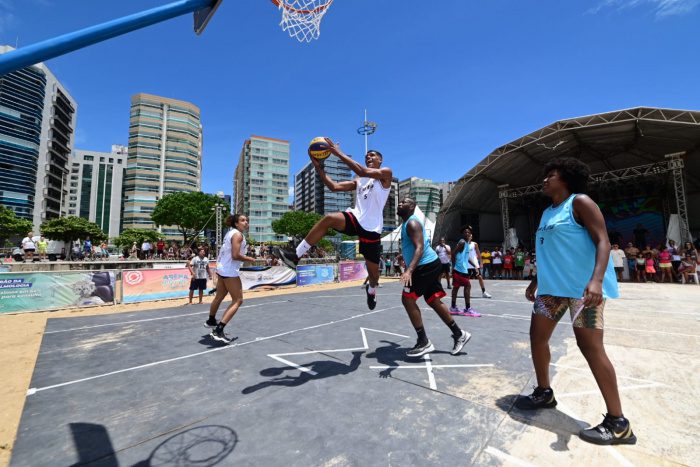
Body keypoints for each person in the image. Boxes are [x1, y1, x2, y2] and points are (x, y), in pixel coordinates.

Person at [517, 157, 635, 446]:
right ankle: (544, 392)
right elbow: (548, 249)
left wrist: (595, 280)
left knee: (590, 347)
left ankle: (619, 423)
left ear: (566, 179)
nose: (545, 180)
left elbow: (603, 241)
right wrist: (537, 279)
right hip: (551, 289)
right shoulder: (547, 212)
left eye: (551, 175)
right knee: (537, 339)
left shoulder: (580, 202)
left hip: (583, 291)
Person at [274, 139, 392, 311]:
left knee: (374, 275)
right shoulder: (360, 181)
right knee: (328, 218)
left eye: (372, 155)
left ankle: (371, 289)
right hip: (355, 218)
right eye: (366, 156)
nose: (368, 157)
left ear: (380, 160)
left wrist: (338, 153)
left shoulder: (385, 173)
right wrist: (319, 167)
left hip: (372, 229)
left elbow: (361, 170)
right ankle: (296, 255)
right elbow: (334, 186)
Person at [397, 197, 471, 357]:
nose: (399, 204)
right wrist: (403, 256)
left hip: (425, 266)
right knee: (433, 300)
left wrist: (409, 270)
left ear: (412, 207)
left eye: (404, 202)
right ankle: (459, 334)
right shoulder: (406, 223)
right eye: (399, 201)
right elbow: (413, 246)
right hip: (429, 264)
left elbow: (420, 247)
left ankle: (423, 341)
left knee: (407, 299)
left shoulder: (412, 223)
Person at [207, 214, 256, 344]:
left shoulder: (231, 233)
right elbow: (235, 255)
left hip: (222, 268)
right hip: (229, 270)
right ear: (236, 223)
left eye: (247, 220)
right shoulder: (238, 235)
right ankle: (218, 330)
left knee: (219, 296)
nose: (246, 222)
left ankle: (211, 320)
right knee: (238, 300)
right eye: (243, 220)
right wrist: (249, 259)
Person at [449, 226, 483, 317]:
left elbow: (467, 258)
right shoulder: (462, 242)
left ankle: (453, 307)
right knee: (467, 286)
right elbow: (453, 254)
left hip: (461, 269)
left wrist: (475, 266)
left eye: (468, 232)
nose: (467, 234)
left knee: (456, 288)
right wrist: (454, 267)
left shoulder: (467, 244)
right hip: (459, 270)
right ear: (462, 234)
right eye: (465, 232)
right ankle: (468, 309)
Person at [465, 228, 492, 298]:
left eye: (470, 235)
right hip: (467, 265)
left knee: (480, 277)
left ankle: (484, 292)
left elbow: (479, 254)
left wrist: (481, 263)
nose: (468, 236)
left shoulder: (475, 244)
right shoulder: (463, 244)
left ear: (471, 236)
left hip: (475, 264)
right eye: (467, 235)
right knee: (466, 280)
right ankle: (467, 292)